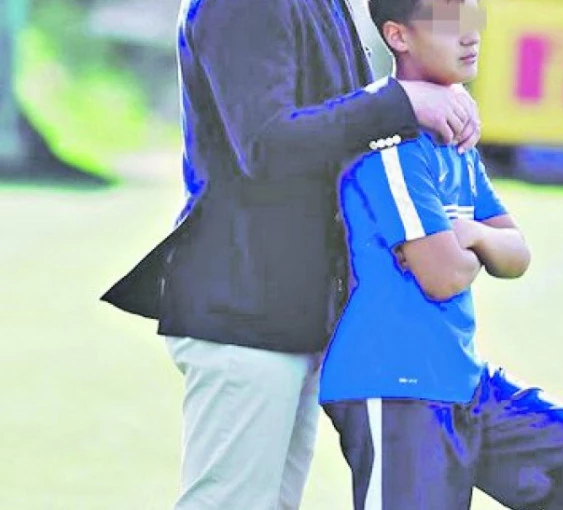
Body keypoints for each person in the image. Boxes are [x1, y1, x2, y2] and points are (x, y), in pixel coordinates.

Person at [99, 0, 483, 508]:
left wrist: (426, 100)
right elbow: (266, 145)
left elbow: (338, 128)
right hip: (243, 312)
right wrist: (401, 101)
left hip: (287, 314)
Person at [319, 1, 563, 508]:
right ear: (398, 36)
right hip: (395, 384)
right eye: (449, 24)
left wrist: (468, 233)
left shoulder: (455, 138)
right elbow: (443, 276)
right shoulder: (391, 144)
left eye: (472, 20)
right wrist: (478, 244)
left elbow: (516, 254)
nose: (470, 36)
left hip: (461, 381)